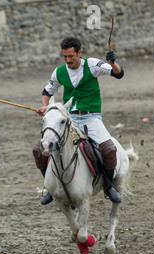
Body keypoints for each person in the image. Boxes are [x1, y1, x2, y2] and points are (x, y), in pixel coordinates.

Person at [33, 36, 125, 205]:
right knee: (40, 148)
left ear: (79, 53)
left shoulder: (91, 65)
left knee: (109, 149)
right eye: (65, 57)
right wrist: (45, 107)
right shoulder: (59, 72)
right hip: (70, 119)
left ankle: (108, 186)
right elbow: (47, 91)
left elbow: (118, 74)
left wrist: (113, 63)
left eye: (71, 56)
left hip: (91, 117)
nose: (68, 60)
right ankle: (50, 188)